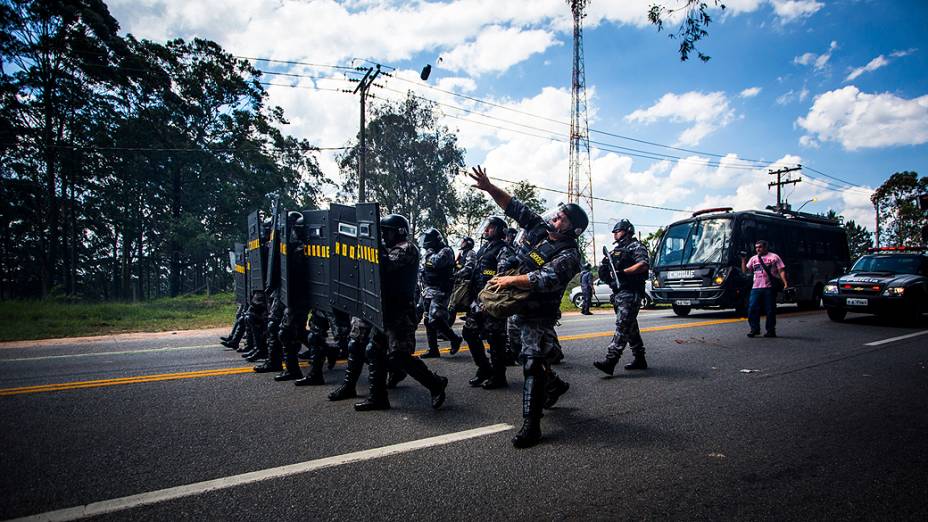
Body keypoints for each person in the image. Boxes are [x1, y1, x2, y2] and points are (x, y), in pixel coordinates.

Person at [469, 165, 584, 449]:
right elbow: (513, 206)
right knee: (521, 355)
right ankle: (554, 385)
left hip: (538, 313)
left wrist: (510, 280)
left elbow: (547, 278)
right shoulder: (538, 229)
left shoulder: (570, 254)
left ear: (574, 230)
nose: (557, 218)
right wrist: (489, 186)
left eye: (563, 219)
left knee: (532, 364)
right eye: (558, 214)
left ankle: (531, 427)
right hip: (516, 307)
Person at [354, 214, 448, 412]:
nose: (384, 236)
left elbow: (386, 265)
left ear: (398, 232)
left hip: (401, 312)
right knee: (374, 350)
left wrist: (373, 246)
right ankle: (378, 397)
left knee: (399, 356)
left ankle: (436, 383)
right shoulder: (390, 249)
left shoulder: (407, 249)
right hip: (385, 309)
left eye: (386, 232)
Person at [459, 216, 514, 389]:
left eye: (490, 227)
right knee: (469, 332)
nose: (486, 230)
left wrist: (489, 300)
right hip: (477, 300)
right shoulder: (484, 248)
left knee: (495, 338)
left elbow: (502, 276)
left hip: (493, 300)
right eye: (486, 227)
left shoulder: (504, 250)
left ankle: (499, 376)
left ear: (499, 230)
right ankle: (484, 368)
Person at [594, 219, 651, 375]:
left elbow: (643, 264)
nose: (615, 234)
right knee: (630, 327)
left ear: (627, 231)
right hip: (618, 293)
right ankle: (640, 358)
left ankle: (610, 360)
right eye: (614, 232)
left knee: (622, 326)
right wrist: (605, 272)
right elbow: (608, 273)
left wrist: (623, 273)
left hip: (631, 292)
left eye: (617, 231)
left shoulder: (636, 246)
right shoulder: (616, 251)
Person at [418, 228, 463, 357]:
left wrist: (428, 257)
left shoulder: (446, 251)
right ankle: (433, 349)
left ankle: (454, 338)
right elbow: (424, 267)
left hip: (441, 289)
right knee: (427, 320)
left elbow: (435, 263)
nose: (425, 244)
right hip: (428, 288)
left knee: (435, 318)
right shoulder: (429, 252)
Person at [741, 240, 788, 338]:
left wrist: (785, 283)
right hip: (756, 288)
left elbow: (781, 270)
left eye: (760, 247)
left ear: (766, 247)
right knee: (752, 308)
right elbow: (745, 271)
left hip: (769, 288)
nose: (758, 249)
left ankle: (771, 330)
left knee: (770, 310)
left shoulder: (774, 257)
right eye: (756, 247)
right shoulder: (753, 259)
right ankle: (754, 329)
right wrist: (743, 259)